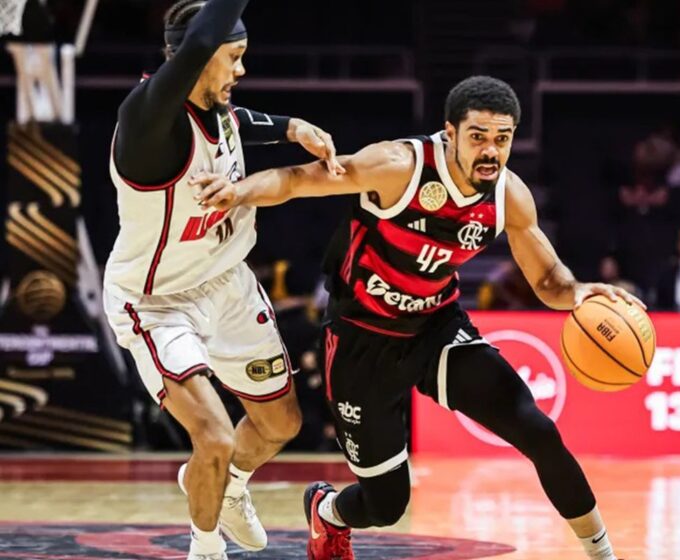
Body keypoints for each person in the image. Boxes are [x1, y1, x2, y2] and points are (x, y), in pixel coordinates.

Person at [191, 75, 637, 560]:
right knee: (387, 504)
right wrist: (237, 191)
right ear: (450, 133)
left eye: (502, 139)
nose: (491, 151)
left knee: (538, 430)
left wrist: (578, 292)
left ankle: (602, 553)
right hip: (362, 339)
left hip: (435, 329)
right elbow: (299, 180)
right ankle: (328, 512)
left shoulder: (509, 194)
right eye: (479, 137)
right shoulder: (399, 166)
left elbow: (548, 280)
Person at [101, 1, 343, 558]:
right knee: (212, 435)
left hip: (227, 285)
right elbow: (198, 51)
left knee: (280, 422)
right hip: (157, 301)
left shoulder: (217, 109)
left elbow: (239, 125)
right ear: (197, 56)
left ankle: (227, 487)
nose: (240, 70)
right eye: (232, 58)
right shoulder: (146, 120)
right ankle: (205, 547)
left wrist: (292, 128)